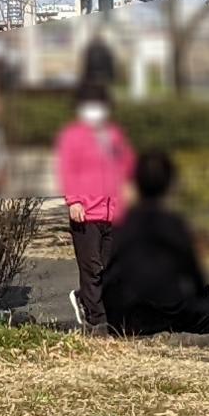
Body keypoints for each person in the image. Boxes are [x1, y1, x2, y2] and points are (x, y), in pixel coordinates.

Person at [105, 150, 209, 339]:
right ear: (168, 185)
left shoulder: (123, 223)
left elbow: (111, 272)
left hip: (124, 315)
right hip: (157, 316)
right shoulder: (171, 223)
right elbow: (195, 279)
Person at [54, 78, 134, 335]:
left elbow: (126, 164)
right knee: (92, 269)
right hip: (86, 213)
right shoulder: (72, 136)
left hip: (114, 211)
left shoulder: (114, 134)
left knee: (110, 268)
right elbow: (66, 169)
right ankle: (97, 322)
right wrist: (73, 201)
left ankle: (92, 303)